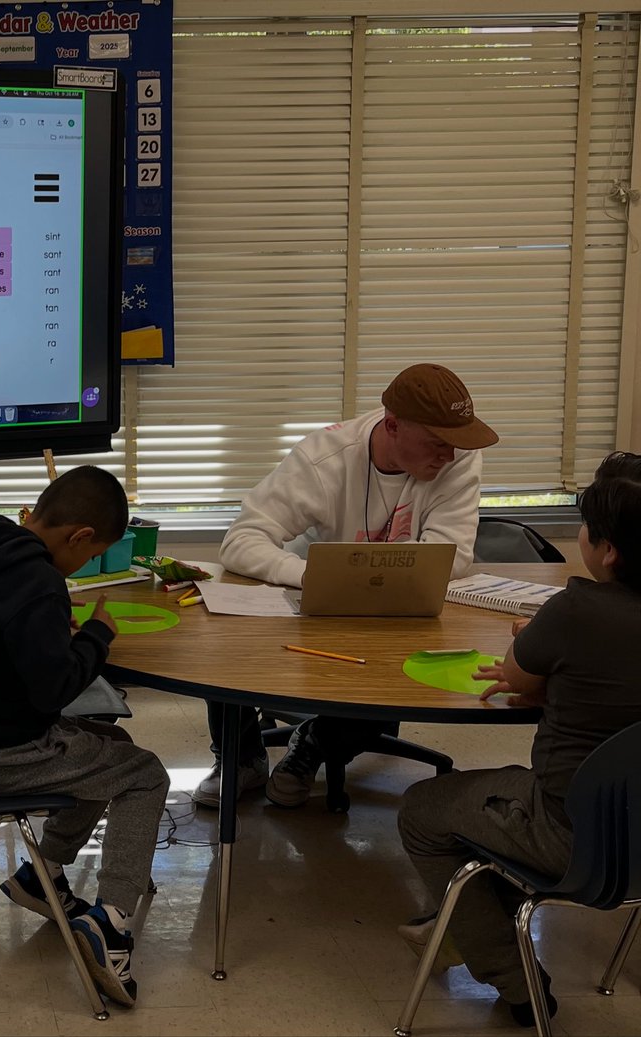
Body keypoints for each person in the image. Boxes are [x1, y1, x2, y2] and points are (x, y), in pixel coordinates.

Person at [397, 451, 641, 1027]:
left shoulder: (576, 608)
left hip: (569, 836)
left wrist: (535, 639)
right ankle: (467, 921)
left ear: (607, 550)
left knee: (422, 810)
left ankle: (515, 980)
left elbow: (520, 676)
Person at [194, 363, 499, 810]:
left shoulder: (457, 456)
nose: (449, 456)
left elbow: (450, 557)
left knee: (393, 683)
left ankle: (313, 741)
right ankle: (240, 759)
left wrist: (378, 582)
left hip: (403, 614)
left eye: (456, 443)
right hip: (321, 607)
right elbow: (241, 540)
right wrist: (307, 575)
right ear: (392, 425)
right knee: (223, 640)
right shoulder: (326, 456)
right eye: (437, 443)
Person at [0, 465, 171, 1008]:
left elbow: (1, 646)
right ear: (80, 536)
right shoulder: (38, 582)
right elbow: (53, 691)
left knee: (114, 751)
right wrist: (98, 637)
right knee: (147, 774)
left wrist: (54, 636)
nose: (84, 566)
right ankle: (113, 922)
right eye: (91, 555)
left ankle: (43, 874)